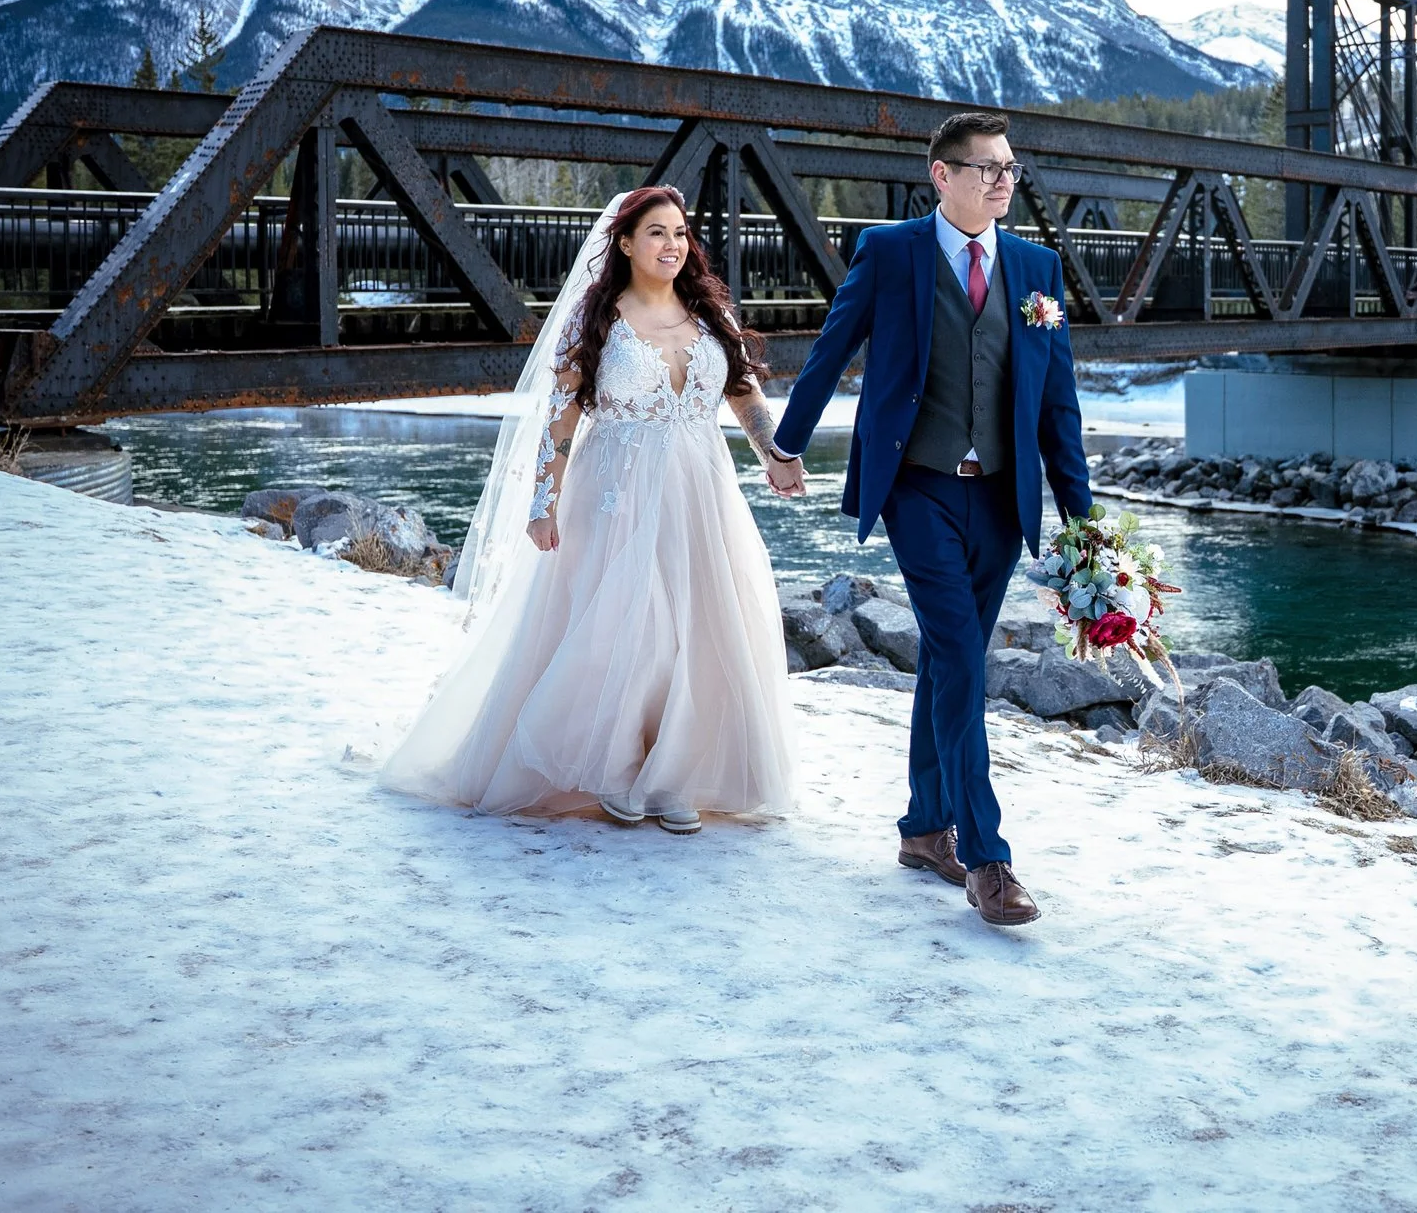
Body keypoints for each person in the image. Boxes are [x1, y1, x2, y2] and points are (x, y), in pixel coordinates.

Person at [380, 187, 803, 831]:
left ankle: (675, 776)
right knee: (634, 628)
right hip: (618, 491)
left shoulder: (708, 311)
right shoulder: (596, 318)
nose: (672, 245)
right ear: (626, 243)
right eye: (657, 233)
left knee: (701, 628)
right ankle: (617, 770)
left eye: (681, 234)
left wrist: (773, 451)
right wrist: (542, 505)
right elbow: (559, 421)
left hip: (701, 489)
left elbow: (743, 396)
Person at [769, 111, 1090, 926]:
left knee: (954, 662)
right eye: (988, 168)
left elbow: (1058, 408)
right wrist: (787, 445)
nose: (1005, 181)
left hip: (1001, 502)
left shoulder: (1036, 266)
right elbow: (831, 351)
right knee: (961, 660)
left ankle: (922, 829)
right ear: (941, 176)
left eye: (1012, 169)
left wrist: (1082, 527)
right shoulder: (892, 251)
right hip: (918, 489)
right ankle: (989, 859)